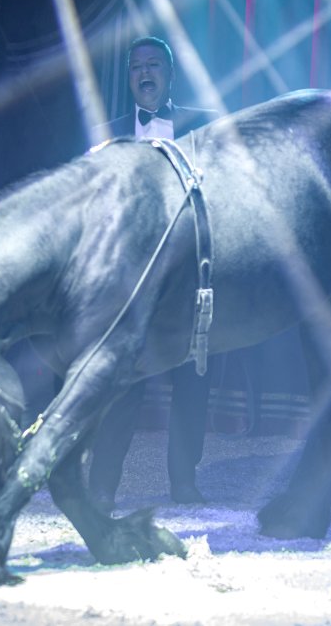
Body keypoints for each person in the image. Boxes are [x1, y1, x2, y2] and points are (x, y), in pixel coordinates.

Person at [90, 36, 217, 511]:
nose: (145, 73)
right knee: (122, 383)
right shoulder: (106, 134)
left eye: (154, 65)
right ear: (129, 78)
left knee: (192, 381)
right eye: (136, 67)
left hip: (187, 273)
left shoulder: (202, 126)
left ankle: (184, 483)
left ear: (170, 74)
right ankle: (103, 487)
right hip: (130, 281)